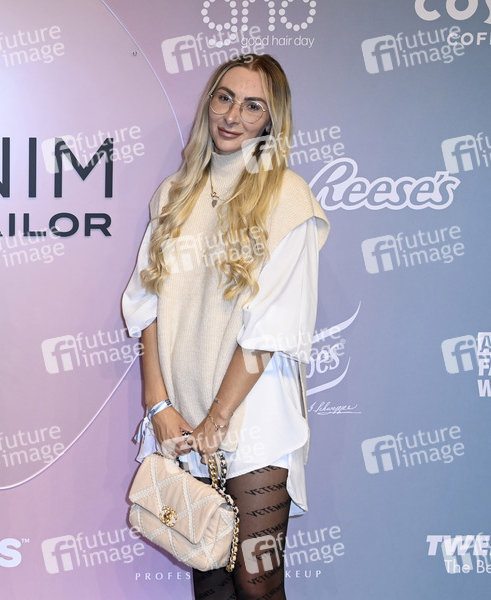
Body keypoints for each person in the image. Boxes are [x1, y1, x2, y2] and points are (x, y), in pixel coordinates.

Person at [123, 54, 329, 600]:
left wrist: (219, 418)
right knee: (211, 583)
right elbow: (146, 306)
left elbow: (275, 326)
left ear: (271, 120)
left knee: (258, 584)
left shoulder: (288, 198)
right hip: (184, 417)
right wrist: (158, 405)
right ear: (209, 103)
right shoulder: (174, 195)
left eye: (252, 105)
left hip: (255, 417)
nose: (233, 115)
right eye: (225, 97)